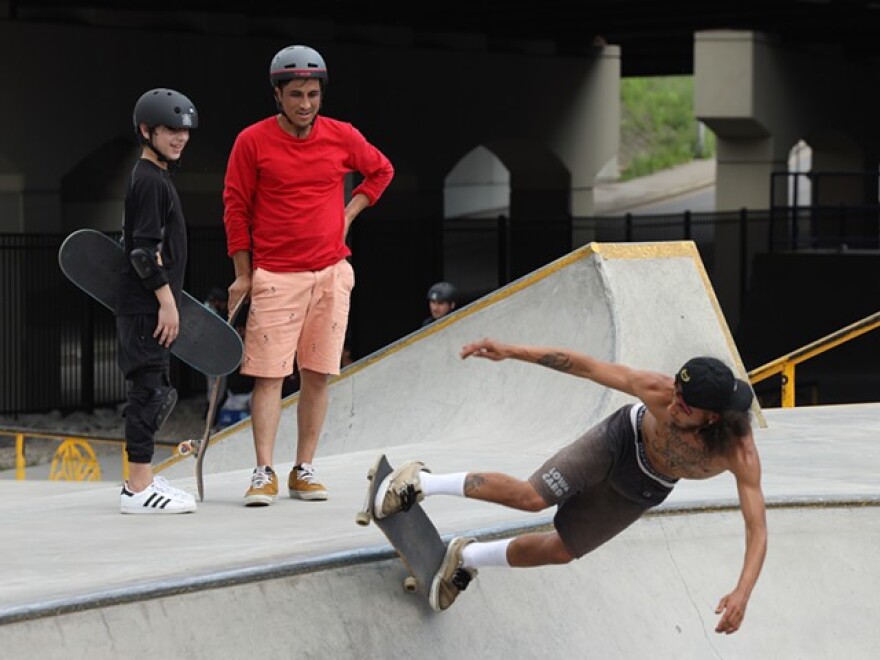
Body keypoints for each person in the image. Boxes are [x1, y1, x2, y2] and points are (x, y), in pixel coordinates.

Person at [374, 337, 767, 633]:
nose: (671, 405)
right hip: (620, 441)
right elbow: (585, 366)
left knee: (563, 551)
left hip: (644, 486)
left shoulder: (737, 452)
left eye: (684, 407)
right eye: (676, 395)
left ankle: (465, 559)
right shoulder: (659, 391)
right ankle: (419, 481)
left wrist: (743, 593)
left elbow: (757, 528)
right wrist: (511, 351)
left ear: (712, 418)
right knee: (531, 498)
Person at [223, 44, 394, 506]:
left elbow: (380, 171)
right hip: (276, 275)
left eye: (313, 94)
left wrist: (350, 212)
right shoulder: (252, 141)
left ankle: (305, 468)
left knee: (317, 374)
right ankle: (263, 472)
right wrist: (242, 274)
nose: (305, 104)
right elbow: (235, 207)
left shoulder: (341, 136)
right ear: (277, 95)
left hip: (331, 274)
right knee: (269, 376)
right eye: (296, 94)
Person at [117, 88, 200, 514]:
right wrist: (167, 302)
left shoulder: (154, 176)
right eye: (170, 130)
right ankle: (137, 489)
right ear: (146, 131)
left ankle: (142, 478)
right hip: (147, 308)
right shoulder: (149, 180)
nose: (180, 137)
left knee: (155, 389)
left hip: (149, 306)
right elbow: (142, 253)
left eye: (184, 130)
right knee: (148, 391)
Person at [203, 287, 229, 426]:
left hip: (211, 357)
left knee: (214, 391)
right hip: (213, 359)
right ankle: (210, 423)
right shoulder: (210, 314)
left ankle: (210, 421)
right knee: (216, 392)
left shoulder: (206, 311)